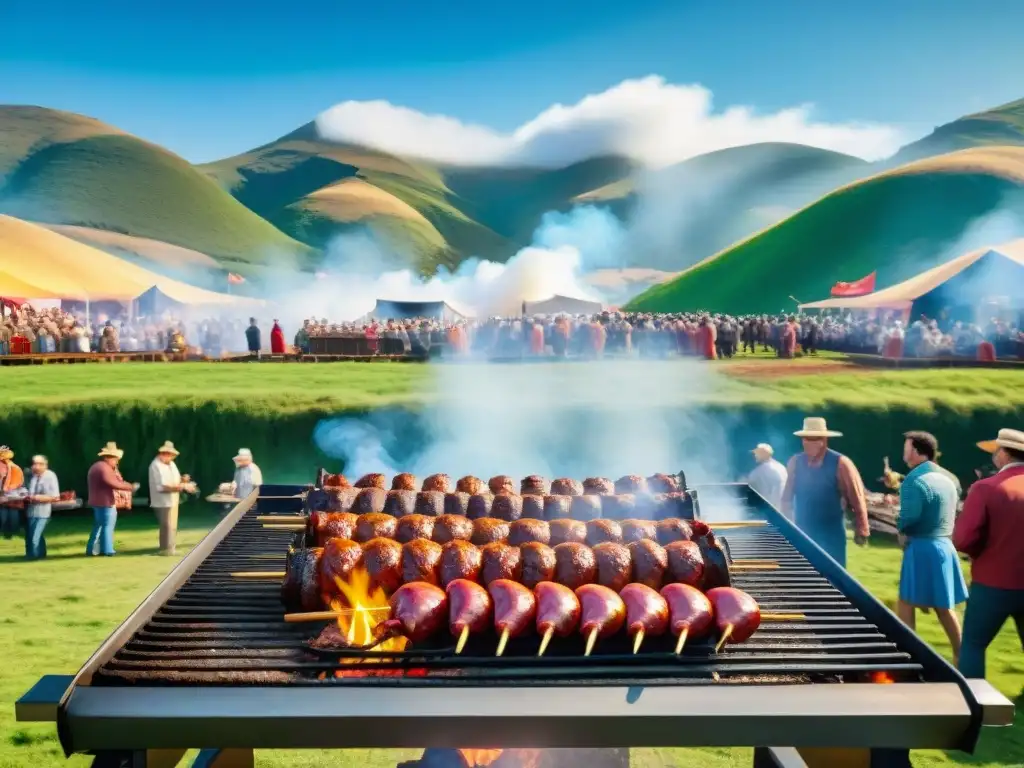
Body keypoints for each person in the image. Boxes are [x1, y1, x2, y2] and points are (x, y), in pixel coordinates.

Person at [953, 428, 1024, 679]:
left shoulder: (986, 488)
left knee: (973, 645)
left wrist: (977, 552)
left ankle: (974, 702)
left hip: (993, 581)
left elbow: (963, 538)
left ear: (1003, 454)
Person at [895, 431, 967, 661]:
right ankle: (961, 653)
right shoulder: (950, 478)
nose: (904, 452)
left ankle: (909, 653)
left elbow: (908, 518)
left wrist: (900, 528)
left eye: (906, 448)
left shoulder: (914, 480)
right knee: (944, 605)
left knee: (905, 601)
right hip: (945, 545)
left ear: (916, 451)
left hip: (921, 548)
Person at [781, 417, 870, 567]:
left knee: (833, 575)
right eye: (805, 439)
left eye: (813, 439)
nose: (807, 443)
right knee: (804, 573)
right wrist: (786, 526)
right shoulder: (795, 462)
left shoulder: (841, 463)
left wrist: (862, 528)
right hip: (804, 530)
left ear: (823, 441)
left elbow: (856, 497)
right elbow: (786, 499)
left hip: (832, 532)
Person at [86, 442, 139, 557]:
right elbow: (114, 483)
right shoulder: (104, 468)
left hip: (98, 502)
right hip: (105, 502)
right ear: (109, 457)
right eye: (115, 458)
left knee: (99, 525)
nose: (117, 461)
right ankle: (108, 550)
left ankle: (93, 550)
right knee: (107, 526)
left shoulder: (98, 466)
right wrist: (131, 487)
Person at [149, 441, 195, 556]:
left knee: (172, 525)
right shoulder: (156, 466)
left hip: (173, 499)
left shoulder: (171, 464)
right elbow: (163, 486)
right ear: (163, 454)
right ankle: (166, 549)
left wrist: (183, 480)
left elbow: (175, 480)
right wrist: (183, 486)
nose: (172, 458)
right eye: (170, 455)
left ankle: (170, 547)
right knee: (167, 525)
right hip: (162, 501)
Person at [24, 455, 60, 560]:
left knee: (35, 536)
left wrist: (37, 497)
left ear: (45, 465)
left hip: (43, 512)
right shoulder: (33, 477)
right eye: (34, 464)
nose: (36, 466)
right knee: (33, 535)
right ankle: (40, 554)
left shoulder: (50, 476)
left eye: (39, 464)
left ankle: (33, 557)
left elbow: (55, 497)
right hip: (31, 511)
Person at [747, 443, 788, 510]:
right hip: (781, 510)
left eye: (757, 453)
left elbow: (749, 488)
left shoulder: (759, 471)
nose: (755, 456)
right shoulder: (781, 467)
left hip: (768, 510)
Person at [0, 445, 25, 538]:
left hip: (12, 496)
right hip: (5, 497)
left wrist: (4, 491)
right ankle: (7, 532)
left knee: (12, 514)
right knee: (4, 515)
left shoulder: (14, 468)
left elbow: (17, 482)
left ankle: (12, 531)